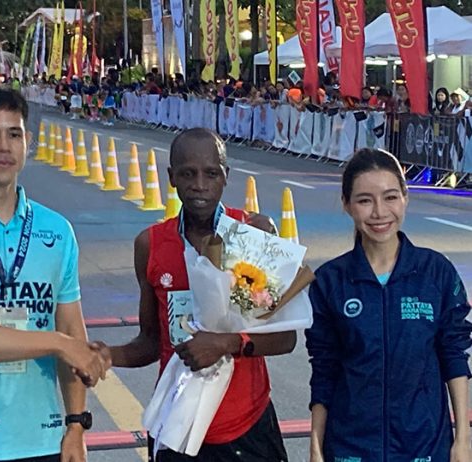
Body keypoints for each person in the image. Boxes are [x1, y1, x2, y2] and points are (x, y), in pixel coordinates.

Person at [95, 128, 294, 461]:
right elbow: (151, 341)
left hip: (246, 426)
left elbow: (285, 337)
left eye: (211, 174)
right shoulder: (151, 245)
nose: (200, 185)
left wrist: (225, 343)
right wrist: (108, 356)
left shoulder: (253, 233)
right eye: (188, 174)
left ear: (225, 176)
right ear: (172, 177)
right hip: (177, 423)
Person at [0, 87, 109, 462]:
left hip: (43, 441)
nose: (4, 147)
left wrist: (76, 425)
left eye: (14, 134)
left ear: (27, 142)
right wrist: (59, 343)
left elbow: (72, 328)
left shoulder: (57, 230)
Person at [306, 148, 472, 462]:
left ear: (405, 198)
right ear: (346, 204)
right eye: (365, 200)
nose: (380, 212)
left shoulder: (436, 273)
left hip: (424, 447)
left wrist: (462, 440)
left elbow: (454, 356)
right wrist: (316, 446)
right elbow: (324, 368)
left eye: (391, 197)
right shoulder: (329, 281)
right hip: (350, 448)